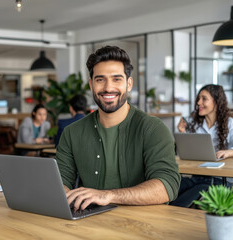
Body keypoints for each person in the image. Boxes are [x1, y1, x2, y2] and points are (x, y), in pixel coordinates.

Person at [56, 45, 180, 211]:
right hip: (90, 223)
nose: (108, 88)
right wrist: (64, 194)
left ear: (129, 84)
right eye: (100, 79)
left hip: (145, 226)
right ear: (91, 85)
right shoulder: (72, 133)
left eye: (116, 79)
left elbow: (166, 186)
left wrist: (108, 195)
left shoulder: (152, 129)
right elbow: (60, 181)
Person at [170, 84, 233, 207]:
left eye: (204, 99)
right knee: (170, 187)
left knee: (180, 203)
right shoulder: (193, 122)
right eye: (198, 99)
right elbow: (185, 154)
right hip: (197, 176)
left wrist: (229, 152)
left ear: (216, 102)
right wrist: (182, 133)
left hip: (219, 180)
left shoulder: (231, 123)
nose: (199, 102)